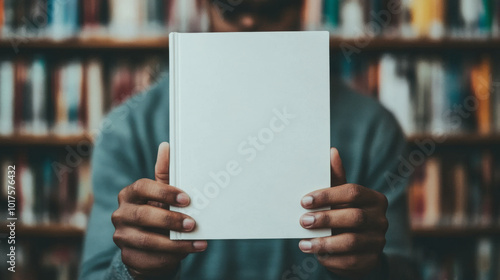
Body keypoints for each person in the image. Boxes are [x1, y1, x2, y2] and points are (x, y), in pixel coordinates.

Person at [80, 0, 419, 279]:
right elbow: (95, 272)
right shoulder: (129, 127)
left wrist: (372, 268)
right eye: (231, 9)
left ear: (303, 6)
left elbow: (404, 268)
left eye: (272, 10)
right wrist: (133, 269)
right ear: (202, 5)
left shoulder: (373, 128)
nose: (247, 23)